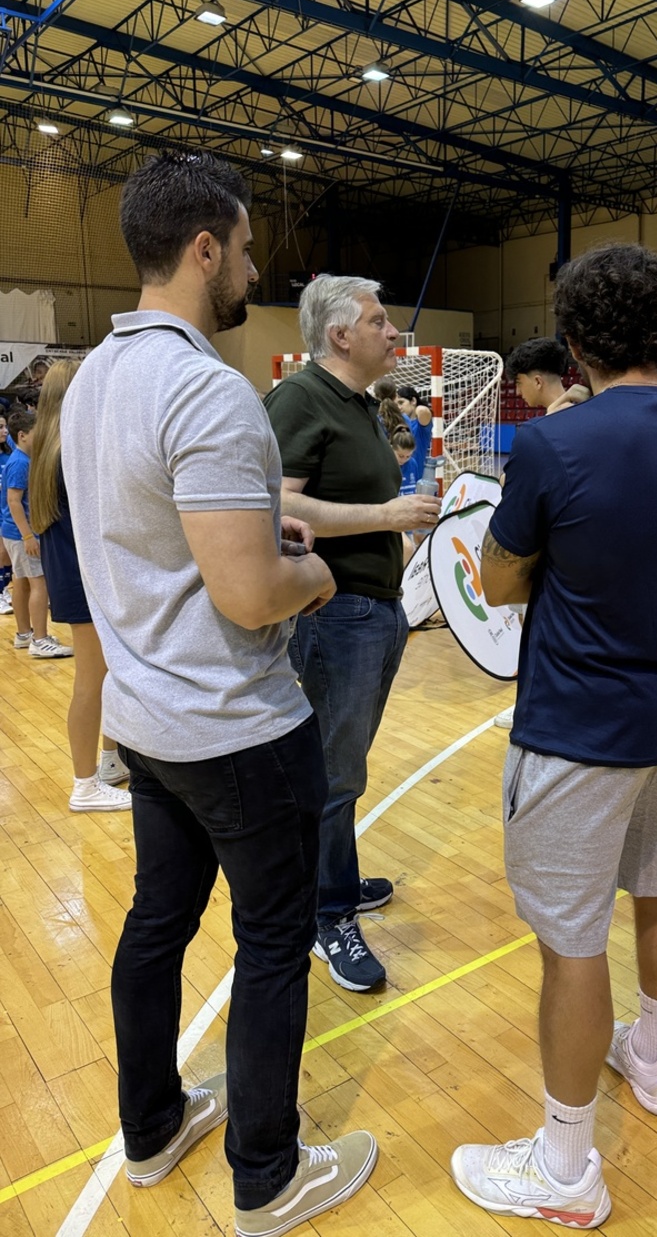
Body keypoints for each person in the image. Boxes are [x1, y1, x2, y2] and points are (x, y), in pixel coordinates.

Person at [61, 150, 377, 1237]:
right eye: (245, 249)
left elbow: (162, 542)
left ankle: (149, 1129)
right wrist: (319, 571)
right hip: (235, 728)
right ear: (205, 247)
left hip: (144, 723)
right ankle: (268, 1175)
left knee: (157, 924)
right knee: (273, 939)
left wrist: (251, 546)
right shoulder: (204, 387)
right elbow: (251, 595)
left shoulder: (91, 376)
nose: (252, 268)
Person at [450, 244, 657, 1228]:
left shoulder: (551, 446)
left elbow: (495, 580)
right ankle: (652, 1059)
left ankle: (567, 1167)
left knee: (570, 946)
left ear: (572, 344)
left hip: (572, 728)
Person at [265, 275, 441, 993]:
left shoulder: (360, 405)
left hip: (373, 612)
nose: (393, 332)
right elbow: (277, 505)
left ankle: (332, 876)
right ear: (340, 335)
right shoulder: (300, 398)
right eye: (380, 319)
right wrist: (387, 518)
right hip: (333, 615)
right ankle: (326, 912)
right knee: (335, 775)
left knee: (344, 769)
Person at [28, 360, 132, 811]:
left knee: (105, 677)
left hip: (74, 574)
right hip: (81, 577)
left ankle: (108, 761)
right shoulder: (71, 449)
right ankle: (84, 783)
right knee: (91, 681)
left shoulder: (48, 448)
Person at [0, 408, 75, 657]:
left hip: (14, 533)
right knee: (39, 582)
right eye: (37, 432)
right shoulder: (20, 463)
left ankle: (24, 634)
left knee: (21, 581)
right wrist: (28, 536)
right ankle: (40, 640)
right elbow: (13, 501)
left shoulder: (22, 459)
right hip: (22, 534)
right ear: (22, 435)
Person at [504, 335, 572, 411]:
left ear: (538, 382)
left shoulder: (539, 423)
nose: (518, 392)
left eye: (519, 383)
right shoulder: (584, 412)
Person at [0, 412, 12, 612]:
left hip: (7, 511)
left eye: (4, 426)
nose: (4, 431)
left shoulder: (9, 454)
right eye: (0, 428)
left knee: (8, 555)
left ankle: (5, 590)